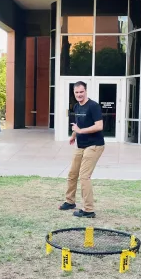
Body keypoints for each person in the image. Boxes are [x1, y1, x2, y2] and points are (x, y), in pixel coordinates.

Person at [58, 81, 105, 218]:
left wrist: (80, 131)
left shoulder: (94, 106)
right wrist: (74, 135)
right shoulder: (77, 106)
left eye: (81, 92)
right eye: (76, 92)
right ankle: (70, 201)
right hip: (81, 144)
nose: (79, 94)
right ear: (74, 93)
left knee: (84, 176)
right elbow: (78, 124)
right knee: (72, 173)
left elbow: (99, 126)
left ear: (86, 91)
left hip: (94, 145)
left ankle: (89, 210)